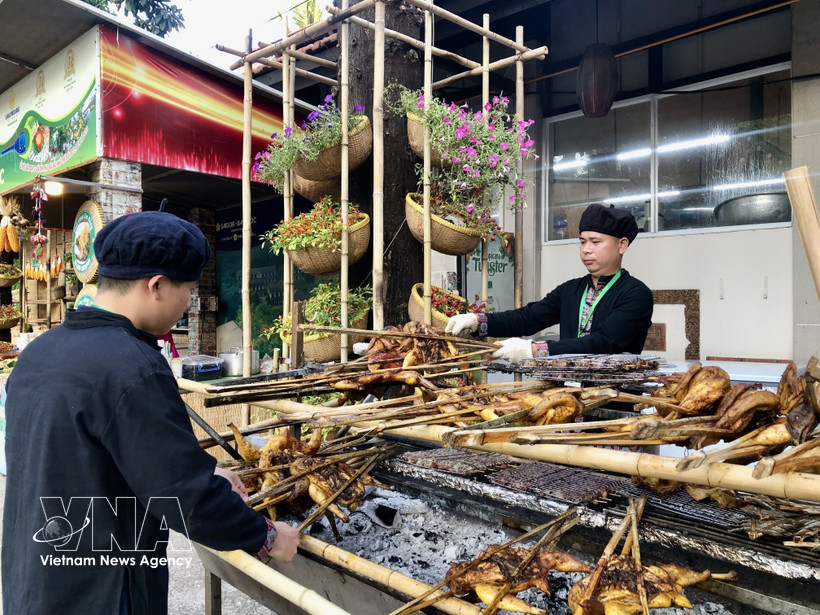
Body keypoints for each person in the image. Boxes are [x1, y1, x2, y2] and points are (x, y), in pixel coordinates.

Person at [2, 211, 299, 615]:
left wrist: (204, 471)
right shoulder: (133, 366)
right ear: (156, 285)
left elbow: (88, 457)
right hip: (104, 591)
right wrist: (268, 538)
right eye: (189, 290)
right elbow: (184, 499)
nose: (188, 304)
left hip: (35, 579)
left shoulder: (40, 352)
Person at [446, 203, 653, 362]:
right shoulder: (572, 290)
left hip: (614, 402)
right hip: (566, 396)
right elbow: (528, 317)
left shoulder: (635, 294)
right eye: (582, 241)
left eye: (595, 242)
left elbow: (605, 343)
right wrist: (480, 321)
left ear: (621, 245)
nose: (586, 249)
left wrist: (536, 350)